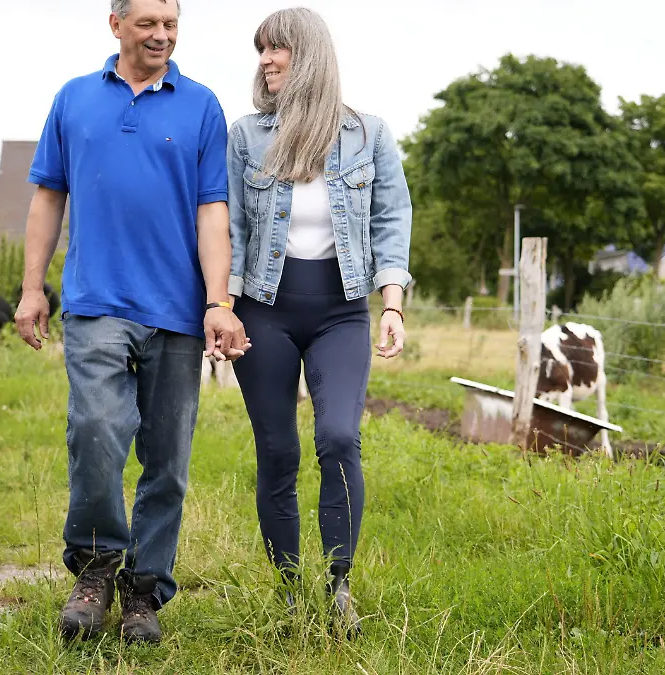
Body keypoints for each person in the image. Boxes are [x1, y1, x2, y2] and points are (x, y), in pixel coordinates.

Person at [14, 0, 248, 644]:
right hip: (95, 302)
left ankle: (144, 590)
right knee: (95, 429)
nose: (161, 35)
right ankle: (93, 569)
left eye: (171, 25)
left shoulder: (201, 106)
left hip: (176, 310)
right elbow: (47, 196)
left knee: (167, 457)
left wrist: (219, 301)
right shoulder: (74, 98)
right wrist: (34, 288)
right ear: (115, 25)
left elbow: (212, 212)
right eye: (148, 23)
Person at [226, 7, 413, 637]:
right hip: (264, 310)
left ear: (308, 56)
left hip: (340, 312)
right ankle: (286, 591)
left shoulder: (369, 135)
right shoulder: (247, 136)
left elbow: (391, 221)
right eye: (261, 52)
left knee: (338, 437)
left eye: (276, 50)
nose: (265, 61)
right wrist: (220, 307)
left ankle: (338, 586)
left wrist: (391, 305)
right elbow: (231, 228)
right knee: (278, 450)